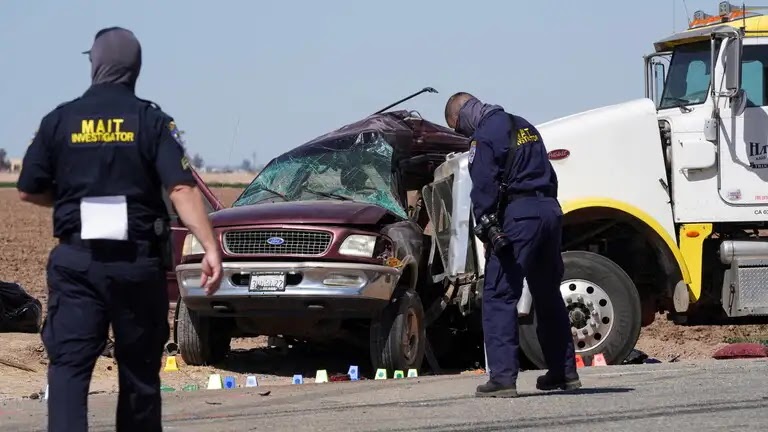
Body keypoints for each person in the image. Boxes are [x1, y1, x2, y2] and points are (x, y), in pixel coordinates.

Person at [16, 27, 223, 431]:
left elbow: (28, 190)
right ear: (135, 69)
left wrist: (71, 202)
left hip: (78, 263)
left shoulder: (60, 119)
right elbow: (181, 187)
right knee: (140, 373)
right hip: (136, 264)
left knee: (69, 370)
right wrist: (209, 246)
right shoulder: (153, 121)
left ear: (94, 64)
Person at [444, 92, 580, 398]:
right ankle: (565, 373)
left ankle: (503, 378)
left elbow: (484, 187)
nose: (463, 135)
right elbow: (550, 174)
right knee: (547, 295)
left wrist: (487, 225)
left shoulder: (484, 136)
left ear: (459, 116)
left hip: (520, 218)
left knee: (499, 294)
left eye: (458, 129)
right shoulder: (525, 125)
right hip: (550, 211)